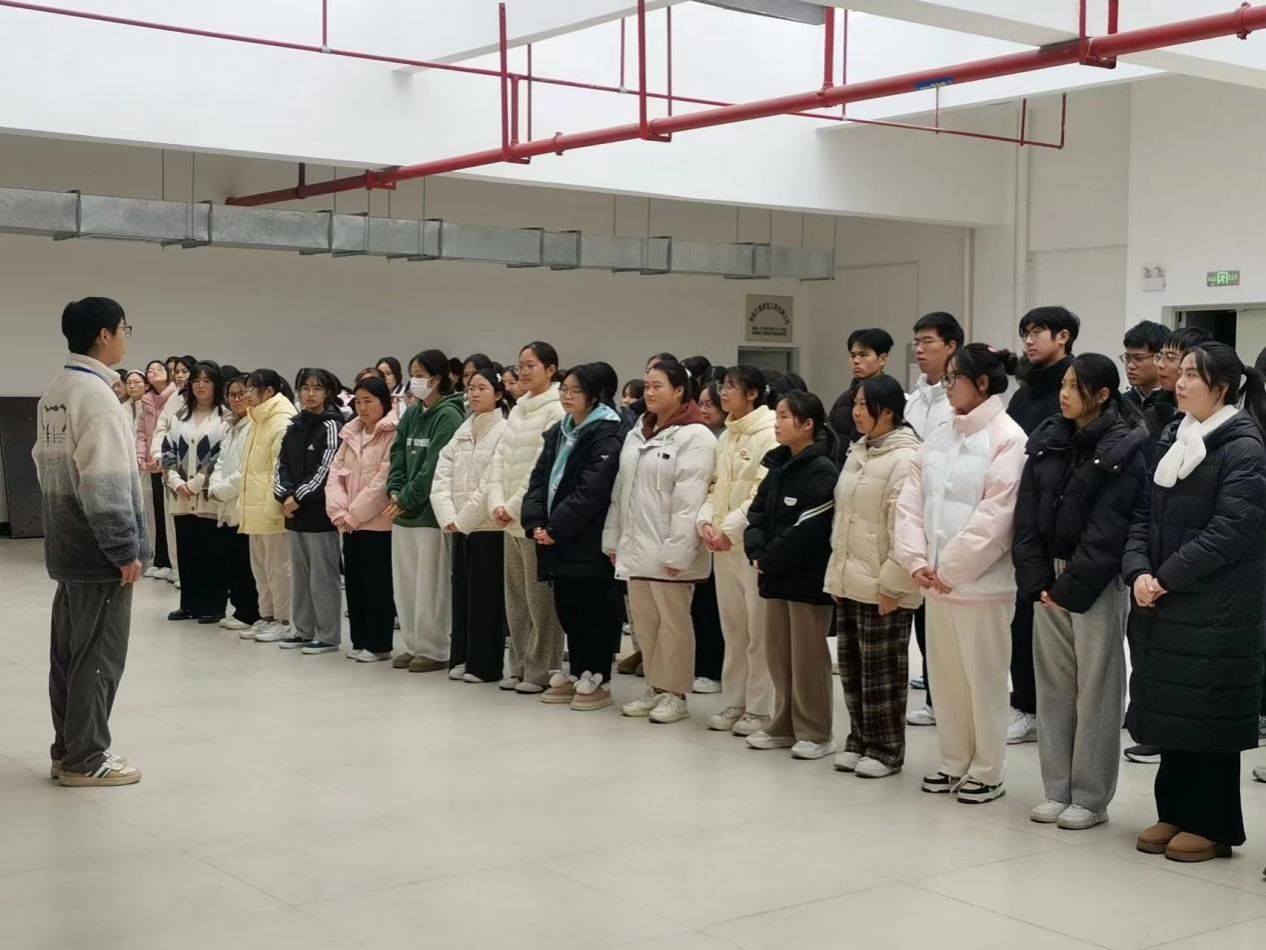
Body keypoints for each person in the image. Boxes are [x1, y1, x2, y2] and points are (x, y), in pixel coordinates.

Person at [1123, 343, 1266, 862]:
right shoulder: (1174, 435)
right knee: (1172, 712)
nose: (1178, 382)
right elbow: (1143, 513)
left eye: (1191, 375)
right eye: (1179, 372)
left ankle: (1212, 824)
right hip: (1167, 600)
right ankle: (1175, 811)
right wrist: (1138, 570)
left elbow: (1230, 532)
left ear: (1221, 388)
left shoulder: (1244, 447)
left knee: (1208, 715)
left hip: (1217, 608)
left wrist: (1164, 578)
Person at [1013, 354, 1148, 830]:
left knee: (1097, 691)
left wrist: (1069, 588)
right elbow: (1025, 515)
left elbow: (1111, 528)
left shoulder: (1125, 448)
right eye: (1064, 385)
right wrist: (1036, 580)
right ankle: (1057, 789)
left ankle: (1091, 796)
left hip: (1096, 582)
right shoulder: (1048, 439)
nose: (1064, 393)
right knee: (1053, 688)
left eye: (1075, 386)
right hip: (1048, 577)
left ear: (1103, 395)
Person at [895, 343, 1027, 804]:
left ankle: (987, 770)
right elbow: (911, 501)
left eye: (954, 378)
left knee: (983, 679)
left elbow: (997, 517)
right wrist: (916, 559)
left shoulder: (1008, 437)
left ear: (983, 384)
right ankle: (954, 760)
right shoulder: (940, 434)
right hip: (934, 581)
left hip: (982, 585)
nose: (947, 386)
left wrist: (951, 568)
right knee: (946, 677)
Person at [33, 297, 146, 786]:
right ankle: (87, 757)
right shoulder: (96, 397)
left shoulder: (57, 391)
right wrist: (123, 548)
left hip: (68, 544)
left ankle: (67, 748)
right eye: (124, 329)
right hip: (98, 552)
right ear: (104, 334)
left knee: (70, 655)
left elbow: (43, 464)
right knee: (99, 657)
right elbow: (105, 479)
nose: (126, 338)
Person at [605, 359, 716, 725]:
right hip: (637, 544)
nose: (649, 392)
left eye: (658, 386)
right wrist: (613, 538)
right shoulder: (639, 430)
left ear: (680, 390)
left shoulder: (696, 436)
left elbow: (690, 500)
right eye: (647, 386)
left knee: (673, 624)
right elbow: (622, 491)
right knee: (646, 623)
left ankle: (675, 693)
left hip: (670, 549)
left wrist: (678, 551)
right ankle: (654, 686)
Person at [1122, 324, 1214, 766]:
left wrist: (1167, 572)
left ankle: (1163, 732)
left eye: (1174, 360)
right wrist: (1140, 567)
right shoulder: (1167, 421)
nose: (1164, 367)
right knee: (1145, 646)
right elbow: (1149, 500)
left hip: (1188, 566)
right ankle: (1146, 721)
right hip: (1152, 553)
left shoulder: (1230, 437)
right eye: (1159, 357)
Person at [824, 375, 922, 778]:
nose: (856, 412)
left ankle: (886, 749)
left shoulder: (907, 457)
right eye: (856, 404)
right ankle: (859, 739)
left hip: (885, 583)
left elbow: (906, 527)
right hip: (852, 577)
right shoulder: (858, 450)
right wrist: (838, 574)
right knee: (852, 667)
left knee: (882, 672)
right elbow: (844, 517)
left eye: (865, 405)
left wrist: (893, 584)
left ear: (889, 411)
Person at [743, 391, 839, 759]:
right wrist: (756, 550)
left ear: (808, 424)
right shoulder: (779, 463)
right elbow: (757, 513)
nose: (777, 422)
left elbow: (809, 528)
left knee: (807, 659)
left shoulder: (823, 470)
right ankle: (783, 723)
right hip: (774, 576)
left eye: (785, 416)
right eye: (778, 415)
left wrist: (770, 557)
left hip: (805, 581)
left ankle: (815, 731)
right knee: (778, 655)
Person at [522, 363, 624, 710]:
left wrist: (555, 527)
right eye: (564, 389)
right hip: (555, 537)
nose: (567, 396)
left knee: (593, 607)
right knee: (568, 608)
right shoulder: (559, 430)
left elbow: (592, 490)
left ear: (593, 396)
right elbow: (538, 479)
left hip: (586, 537)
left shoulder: (608, 432)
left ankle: (598, 676)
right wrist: (536, 521)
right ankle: (578, 670)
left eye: (575, 391)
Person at [1006, 306, 1080, 746]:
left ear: (1063, 337)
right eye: (1026, 333)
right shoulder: (1024, 393)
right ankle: (1026, 706)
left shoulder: (1074, 387)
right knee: (1022, 616)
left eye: (1037, 332)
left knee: (1057, 622)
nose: (1029, 341)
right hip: (1024, 513)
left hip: (1059, 518)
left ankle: (1056, 710)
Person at [698, 365, 778, 737]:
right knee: (733, 630)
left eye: (731, 386)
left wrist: (730, 528)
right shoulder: (727, 435)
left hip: (750, 546)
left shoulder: (769, 433)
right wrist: (706, 522)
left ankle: (760, 709)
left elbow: (761, 492)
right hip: (721, 545)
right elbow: (715, 486)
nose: (723, 392)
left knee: (758, 631)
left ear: (753, 393)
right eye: (722, 385)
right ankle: (735, 700)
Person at [488, 342, 568, 693]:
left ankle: (543, 669)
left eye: (531, 365)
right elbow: (499, 459)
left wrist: (514, 506)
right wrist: (496, 502)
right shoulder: (518, 408)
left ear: (550, 369)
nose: (523, 371)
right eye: (520, 365)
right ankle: (519, 665)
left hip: (533, 517)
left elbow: (541, 466)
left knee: (540, 600)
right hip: (507, 518)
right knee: (516, 599)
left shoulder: (556, 410)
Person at [431, 368, 512, 684]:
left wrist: (463, 519)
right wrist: (448, 515)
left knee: (486, 597)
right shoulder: (462, 430)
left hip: (488, 526)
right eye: (471, 388)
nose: (474, 393)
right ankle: (462, 657)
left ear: (498, 394)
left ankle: (485, 665)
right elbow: (442, 473)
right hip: (459, 526)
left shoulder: (505, 431)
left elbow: (493, 481)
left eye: (482, 388)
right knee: (462, 593)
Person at [388, 349, 466, 671]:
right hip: (402, 514)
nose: (414, 380)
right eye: (412, 374)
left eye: (420, 375)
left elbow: (433, 468)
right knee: (406, 584)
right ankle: (413, 643)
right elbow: (397, 454)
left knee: (430, 586)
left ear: (437, 378)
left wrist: (406, 498)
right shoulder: (411, 414)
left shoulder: (449, 416)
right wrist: (394, 490)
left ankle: (434, 648)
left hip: (429, 515)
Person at [904, 311, 964, 727]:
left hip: (949, 518)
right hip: (916, 513)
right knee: (923, 617)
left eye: (928, 342)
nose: (920, 350)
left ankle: (949, 698)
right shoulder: (913, 400)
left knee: (950, 620)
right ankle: (932, 692)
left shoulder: (957, 402)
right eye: (917, 343)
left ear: (951, 346)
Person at [326, 376, 399, 662]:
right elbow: (335, 475)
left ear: (384, 402)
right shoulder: (351, 433)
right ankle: (360, 639)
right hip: (349, 523)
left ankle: (379, 645)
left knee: (377, 583)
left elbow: (383, 481)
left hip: (377, 523)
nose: (363, 407)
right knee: (355, 582)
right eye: (358, 401)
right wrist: (339, 512)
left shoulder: (392, 433)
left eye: (369, 401)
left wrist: (352, 514)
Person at [275, 368, 345, 654]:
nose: (310, 394)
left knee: (323, 577)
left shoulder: (332, 426)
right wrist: (285, 495)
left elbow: (326, 469)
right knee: (301, 577)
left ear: (327, 392)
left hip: (319, 514)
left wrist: (298, 497)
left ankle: (328, 635)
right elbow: (282, 465)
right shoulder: (294, 426)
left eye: (317, 388)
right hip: (294, 514)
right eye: (305, 388)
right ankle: (303, 630)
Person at [162, 361, 231, 624]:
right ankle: (189, 604)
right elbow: (168, 450)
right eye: (196, 381)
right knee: (187, 551)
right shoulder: (179, 416)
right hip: (180, 494)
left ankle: (213, 606)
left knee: (213, 552)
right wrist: (175, 480)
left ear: (216, 385)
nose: (201, 385)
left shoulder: (226, 418)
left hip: (208, 495)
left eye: (207, 381)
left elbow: (222, 455)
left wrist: (198, 482)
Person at [240, 369, 298, 643]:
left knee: (279, 568)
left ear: (269, 392)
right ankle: (267, 616)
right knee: (260, 568)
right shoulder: (258, 419)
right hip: (253, 507)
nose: (247, 394)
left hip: (271, 508)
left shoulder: (281, 420)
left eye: (252, 389)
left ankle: (284, 620)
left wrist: (273, 506)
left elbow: (279, 468)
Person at [206, 372, 261, 635]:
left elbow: (247, 469)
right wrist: (215, 485)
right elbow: (220, 461)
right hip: (225, 501)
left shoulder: (255, 425)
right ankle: (240, 609)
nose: (237, 399)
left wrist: (223, 489)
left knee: (246, 562)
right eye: (232, 395)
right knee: (233, 559)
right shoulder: (231, 426)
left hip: (243, 501)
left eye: (242, 394)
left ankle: (250, 612)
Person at [690, 366, 726, 695]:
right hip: (696, 526)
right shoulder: (695, 435)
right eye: (700, 403)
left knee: (714, 605)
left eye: (710, 404)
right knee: (698, 603)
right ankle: (698, 664)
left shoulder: (727, 439)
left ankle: (712, 669)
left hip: (721, 530)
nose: (703, 409)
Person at [149, 355, 196, 589]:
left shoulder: (205, 399)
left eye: (184, 371)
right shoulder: (174, 398)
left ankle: (196, 573)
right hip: (173, 468)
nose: (179, 375)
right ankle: (179, 570)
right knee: (173, 523)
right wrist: (157, 453)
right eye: (176, 372)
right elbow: (161, 427)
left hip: (199, 473)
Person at [828, 328, 893, 462]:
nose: (856, 361)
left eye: (863, 355)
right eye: (853, 356)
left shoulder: (893, 399)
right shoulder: (843, 400)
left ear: (882, 359)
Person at [137, 359, 176, 580]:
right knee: (157, 515)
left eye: (159, 368)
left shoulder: (175, 396)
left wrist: (162, 456)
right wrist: (142, 456)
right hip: (152, 463)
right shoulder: (146, 399)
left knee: (170, 516)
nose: (154, 372)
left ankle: (172, 563)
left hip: (169, 462)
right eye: (150, 370)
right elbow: (142, 432)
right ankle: (161, 559)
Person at [1121, 320, 1170, 436]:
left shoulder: (1174, 403)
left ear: (1159, 358)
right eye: (1127, 358)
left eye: (1139, 358)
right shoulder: (1121, 402)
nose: (1130, 366)